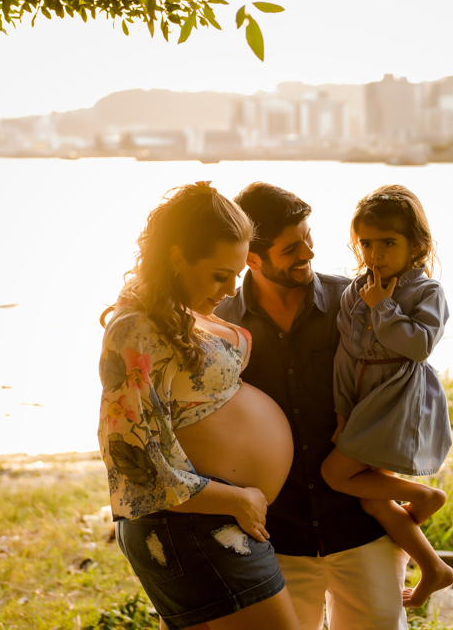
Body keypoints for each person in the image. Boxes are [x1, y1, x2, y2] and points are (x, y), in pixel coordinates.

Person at [97, 182, 301, 630]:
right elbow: (133, 459)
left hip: (208, 523)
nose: (230, 290)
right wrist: (238, 498)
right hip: (191, 525)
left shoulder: (179, 311)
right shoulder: (135, 329)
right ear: (176, 258)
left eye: (237, 275)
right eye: (218, 275)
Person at [215, 182, 410, 630]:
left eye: (308, 236)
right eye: (291, 247)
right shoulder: (219, 324)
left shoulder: (356, 303)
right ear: (252, 257)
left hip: (361, 525)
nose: (308, 252)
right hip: (274, 539)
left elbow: (398, 387)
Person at [320, 185, 453, 608]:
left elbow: (418, 346)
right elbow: (346, 358)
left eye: (388, 243)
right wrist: (344, 413)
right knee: (372, 500)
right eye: (366, 243)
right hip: (362, 399)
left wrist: (383, 307)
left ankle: (425, 497)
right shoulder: (355, 291)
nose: (375, 254)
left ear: (416, 246)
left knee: (335, 473)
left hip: (398, 397)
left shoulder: (425, 291)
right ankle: (434, 568)